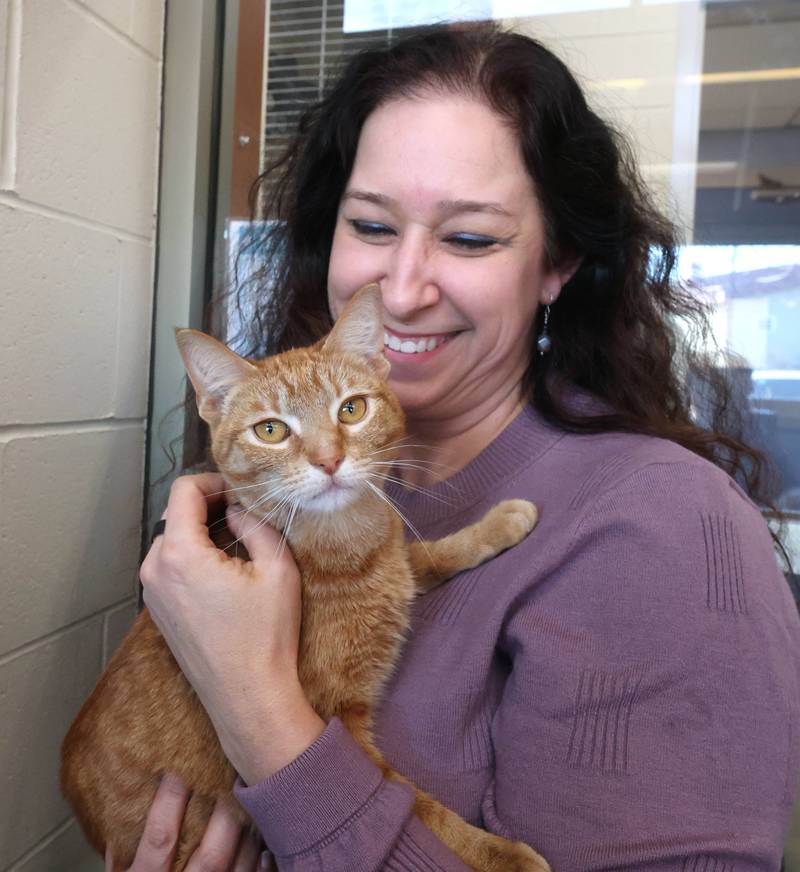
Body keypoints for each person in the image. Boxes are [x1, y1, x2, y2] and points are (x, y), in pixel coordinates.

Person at [125, 23, 800, 872]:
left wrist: (258, 716)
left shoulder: (666, 530)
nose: (402, 292)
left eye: (471, 237)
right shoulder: (309, 487)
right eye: (370, 226)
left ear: (557, 264)